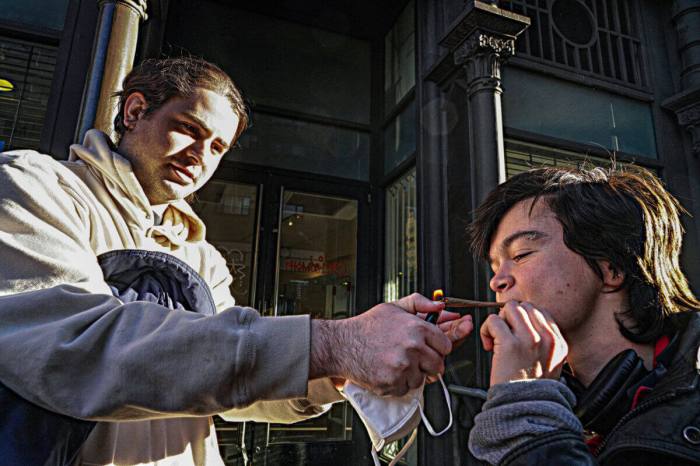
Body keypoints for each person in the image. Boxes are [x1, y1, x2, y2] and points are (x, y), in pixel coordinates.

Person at [0, 56, 473, 466]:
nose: (200, 156)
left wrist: (346, 369)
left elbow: (237, 389)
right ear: (135, 110)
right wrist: (335, 343)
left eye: (218, 147)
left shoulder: (201, 255)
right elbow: (81, 349)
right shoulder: (33, 187)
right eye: (189, 129)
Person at [465, 164, 700, 465]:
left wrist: (524, 413)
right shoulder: (569, 409)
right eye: (495, 266)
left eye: (521, 254)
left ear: (610, 268)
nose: (497, 282)